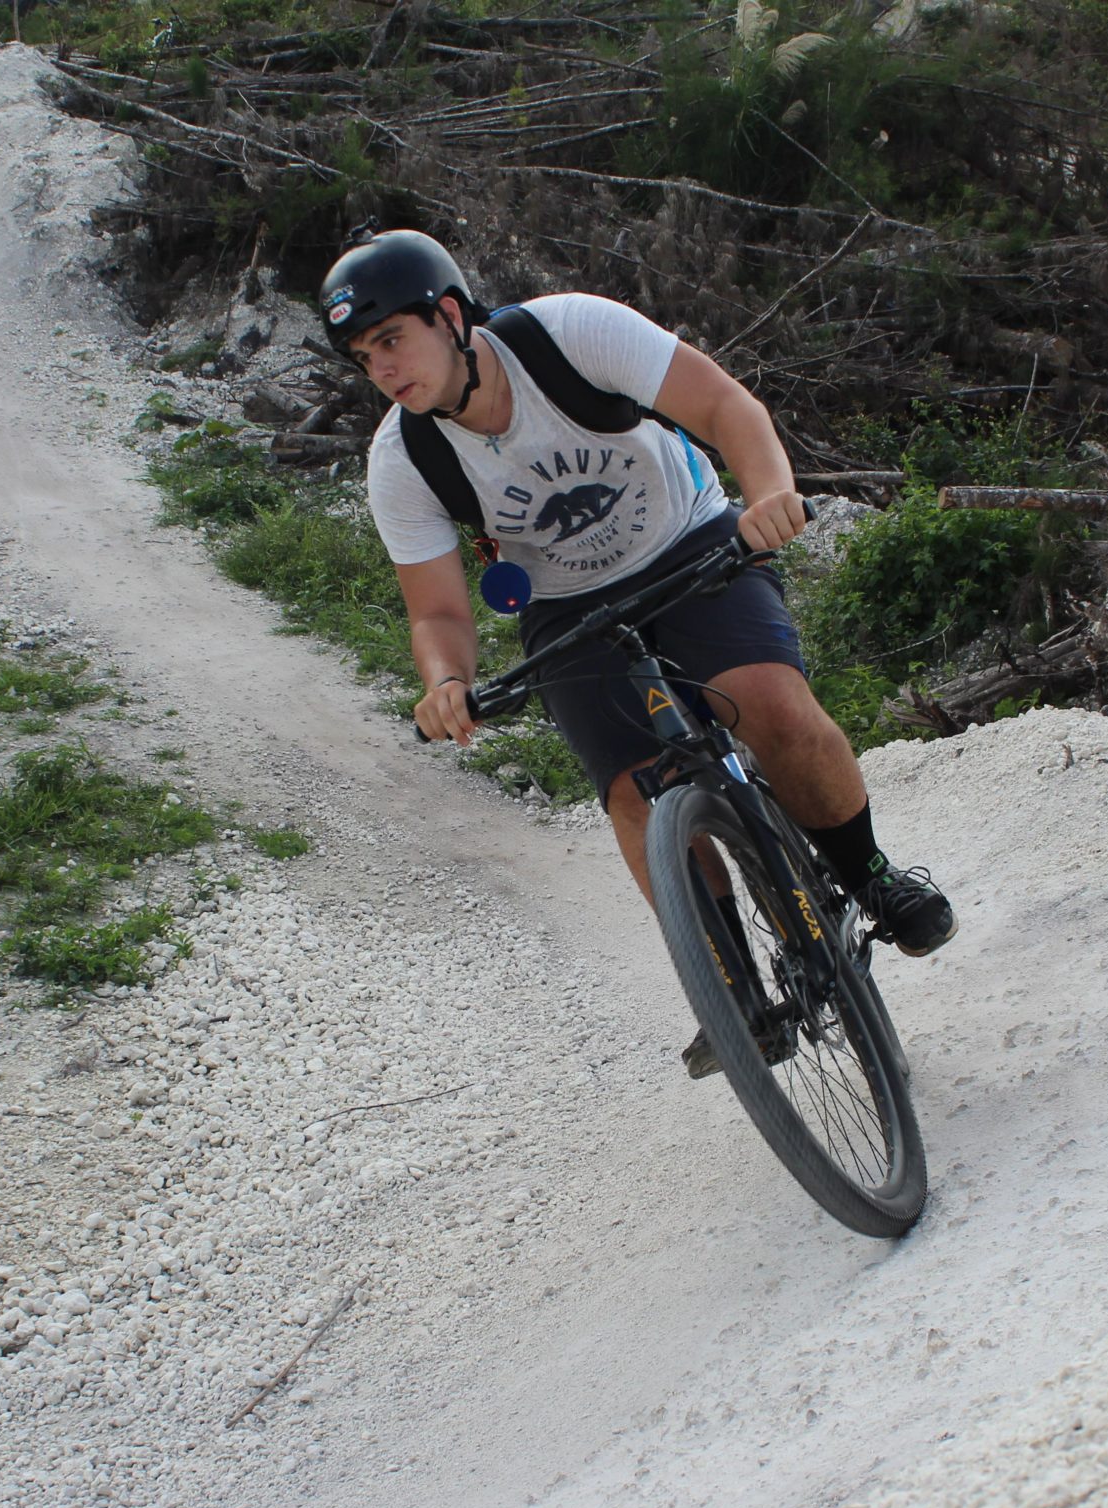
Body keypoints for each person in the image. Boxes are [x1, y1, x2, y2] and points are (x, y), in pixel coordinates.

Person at [323, 229, 955, 1077]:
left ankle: (871, 875)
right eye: (365, 357)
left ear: (448, 316)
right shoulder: (404, 460)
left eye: (392, 339)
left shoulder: (571, 334)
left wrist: (768, 494)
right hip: (565, 606)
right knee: (636, 791)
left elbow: (727, 407)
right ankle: (729, 985)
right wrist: (445, 681)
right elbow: (436, 609)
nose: (384, 369)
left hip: (690, 542)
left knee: (772, 705)